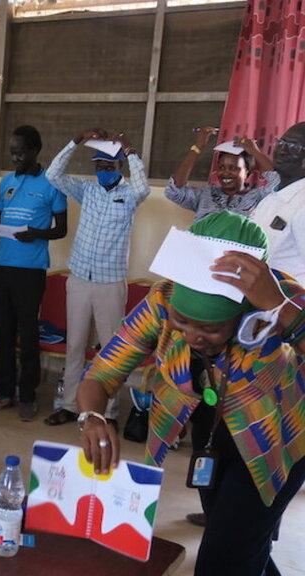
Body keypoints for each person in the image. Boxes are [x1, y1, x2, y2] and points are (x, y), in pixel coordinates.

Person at [77, 211, 305, 575]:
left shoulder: (280, 299)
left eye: (211, 329)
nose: (192, 337)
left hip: (276, 441)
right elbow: (103, 372)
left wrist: (279, 308)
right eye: (181, 322)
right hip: (210, 437)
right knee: (239, 544)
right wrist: (92, 416)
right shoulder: (163, 298)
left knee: (224, 558)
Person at [42, 129, 150, 427]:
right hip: (79, 278)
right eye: (98, 166)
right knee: (75, 345)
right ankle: (69, 405)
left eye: (108, 166)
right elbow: (53, 175)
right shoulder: (87, 190)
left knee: (111, 351)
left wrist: (130, 152)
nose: (102, 171)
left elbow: (143, 188)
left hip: (110, 283)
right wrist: (75, 141)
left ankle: (107, 412)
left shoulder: (129, 195)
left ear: (119, 166)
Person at [0, 125, 66, 421]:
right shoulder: (7, 182)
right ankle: (4, 392)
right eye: (12, 153)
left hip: (31, 271)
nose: (15, 158)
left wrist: (36, 233)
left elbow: (61, 229)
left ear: (36, 151)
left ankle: (27, 396)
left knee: (27, 334)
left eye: (21, 153)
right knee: (2, 331)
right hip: (3, 267)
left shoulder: (51, 184)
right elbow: (0, 221)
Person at [165, 126, 278, 220]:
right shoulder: (205, 194)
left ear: (247, 172)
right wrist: (198, 147)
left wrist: (254, 151)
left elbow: (278, 183)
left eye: (233, 168)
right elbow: (173, 190)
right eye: (221, 167)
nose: (225, 173)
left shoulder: (257, 197)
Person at [252, 122, 305, 286]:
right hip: (260, 296)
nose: (282, 150)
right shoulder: (270, 199)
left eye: (293, 147)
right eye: (281, 143)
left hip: (290, 299)